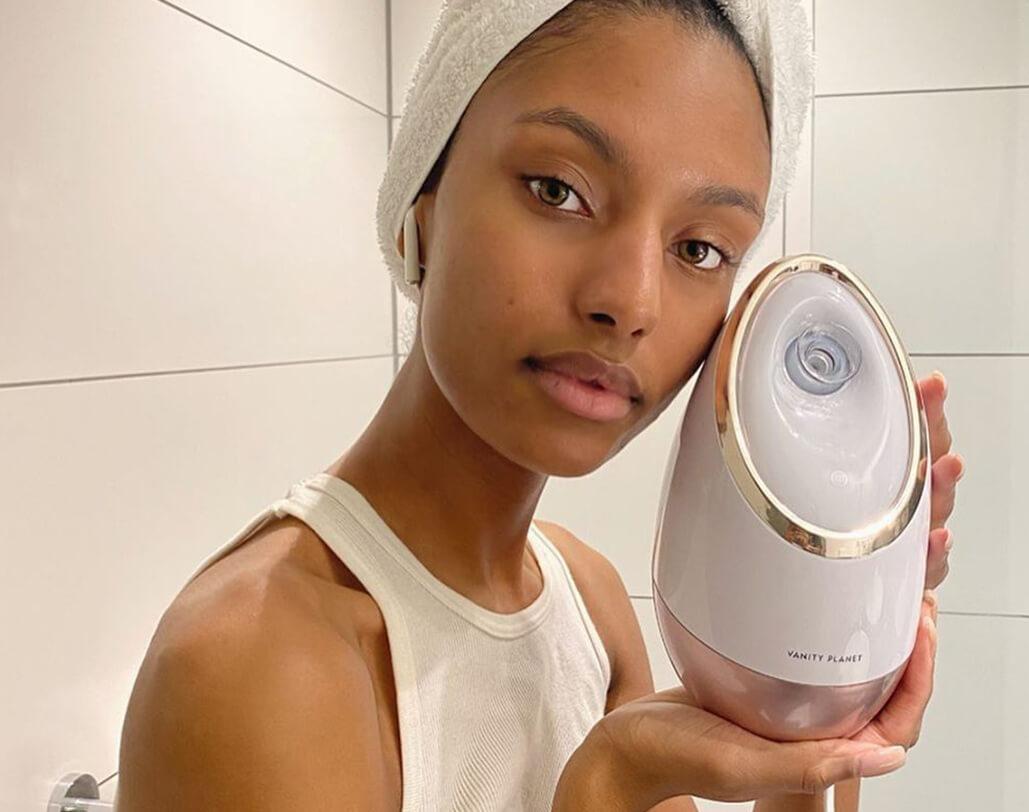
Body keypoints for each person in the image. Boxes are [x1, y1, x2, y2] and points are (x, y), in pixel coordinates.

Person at [115, 1, 965, 809]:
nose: (629, 301)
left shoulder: (585, 604)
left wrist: (830, 684)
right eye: (559, 190)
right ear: (424, 199)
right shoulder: (256, 664)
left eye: (699, 247)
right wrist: (604, 786)